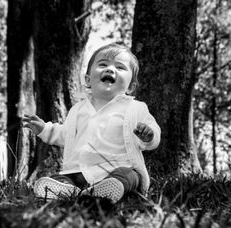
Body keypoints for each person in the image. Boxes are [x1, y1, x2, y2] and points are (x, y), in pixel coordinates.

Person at [22, 43, 160, 203]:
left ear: (131, 87)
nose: (110, 69)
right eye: (103, 64)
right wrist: (44, 129)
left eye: (120, 67)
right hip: (79, 171)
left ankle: (106, 190)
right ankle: (71, 190)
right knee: (61, 178)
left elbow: (153, 137)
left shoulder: (135, 108)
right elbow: (65, 135)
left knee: (129, 176)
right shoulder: (78, 109)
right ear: (88, 79)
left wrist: (149, 135)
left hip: (118, 168)